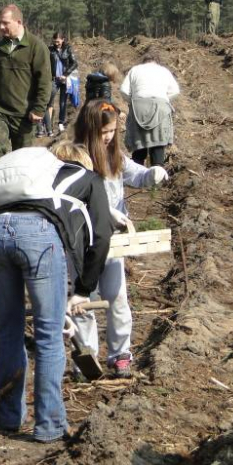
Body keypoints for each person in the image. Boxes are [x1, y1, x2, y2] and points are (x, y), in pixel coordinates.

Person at [0, 142, 113, 443]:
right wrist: (82, 290)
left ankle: (9, 416)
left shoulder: (35, 178)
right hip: (38, 235)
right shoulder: (89, 179)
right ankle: (50, 424)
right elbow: (101, 237)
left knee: (8, 328)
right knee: (49, 334)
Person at [72, 98, 169, 377]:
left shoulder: (115, 156)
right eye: (103, 133)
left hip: (112, 243)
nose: (108, 137)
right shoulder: (76, 159)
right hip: (83, 242)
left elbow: (136, 174)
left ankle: (120, 354)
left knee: (116, 297)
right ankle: (86, 357)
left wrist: (152, 174)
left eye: (112, 131)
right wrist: (104, 213)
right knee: (83, 301)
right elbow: (70, 199)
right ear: (89, 130)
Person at [0, 4, 52, 169]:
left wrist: (39, 109)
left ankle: (18, 185)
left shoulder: (36, 47)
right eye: (0, 23)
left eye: (5, 23)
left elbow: (45, 81)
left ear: (18, 22)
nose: (1, 27)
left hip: (24, 114)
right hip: (0, 111)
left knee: (22, 161)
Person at [119, 49, 180, 166]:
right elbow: (175, 91)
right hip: (160, 109)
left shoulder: (135, 70)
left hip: (138, 108)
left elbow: (123, 90)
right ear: (157, 62)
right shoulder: (164, 71)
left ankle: (137, 174)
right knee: (158, 144)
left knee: (139, 145)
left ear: (144, 61)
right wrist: (165, 101)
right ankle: (157, 173)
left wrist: (132, 102)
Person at [38, 32, 78, 137]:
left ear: (63, 39)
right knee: (47, 101)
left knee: (63, 102)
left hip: (65, 79)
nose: (56, 43)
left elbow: (74, 63)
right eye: (55, 41)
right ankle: (45, 125)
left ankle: (61, 123)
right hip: (53, 80)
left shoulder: (68, 49)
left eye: (58, 41)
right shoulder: (50, 50)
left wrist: (65, 74)